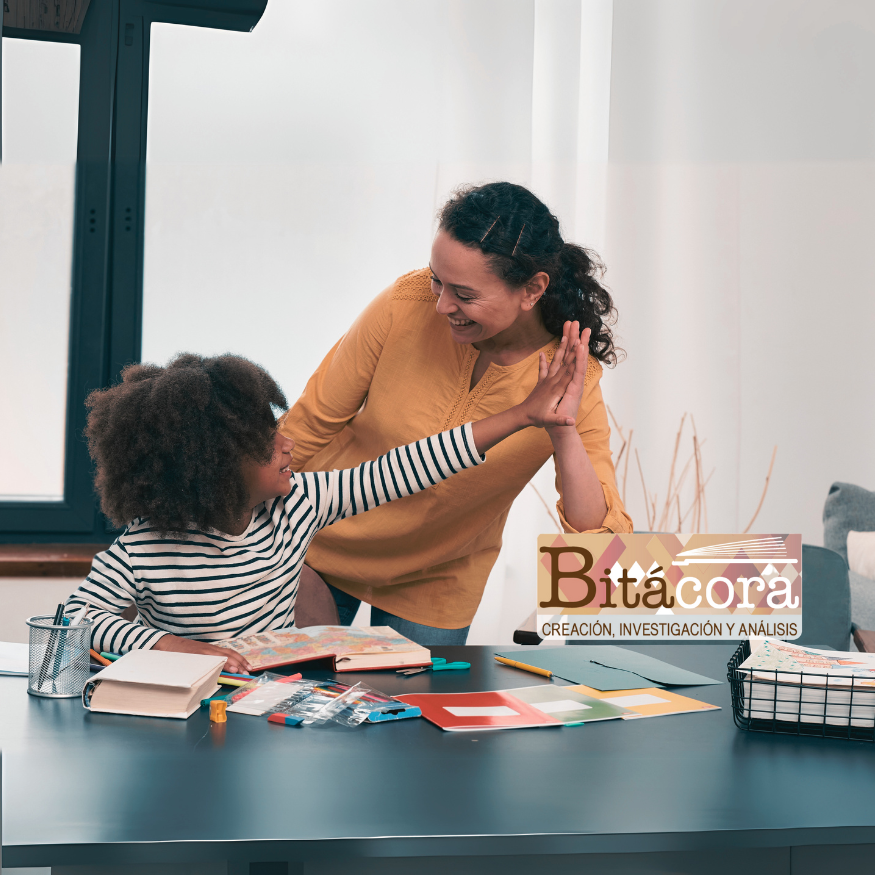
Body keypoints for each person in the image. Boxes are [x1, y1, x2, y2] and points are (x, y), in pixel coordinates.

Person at [65, 341, 589, 673]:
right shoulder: (145, 546)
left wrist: (522, 414)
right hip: (188, 719)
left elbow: (407, 467)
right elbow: (76, 617)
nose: (287, 443)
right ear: (215, 468)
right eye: (267, 443)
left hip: (270, 710)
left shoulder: (298, 505)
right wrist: (173, 646)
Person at [281, 181, 633, 646]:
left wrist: (563, 431)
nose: (442, 305)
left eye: (464, 294)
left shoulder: (571, 376)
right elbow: (307, 425)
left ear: (532, 289)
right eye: (437, 280)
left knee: (414, 717)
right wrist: (249, 539)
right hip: (319, 546)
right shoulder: (405, 303)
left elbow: (596, 541)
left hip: (437, 580)